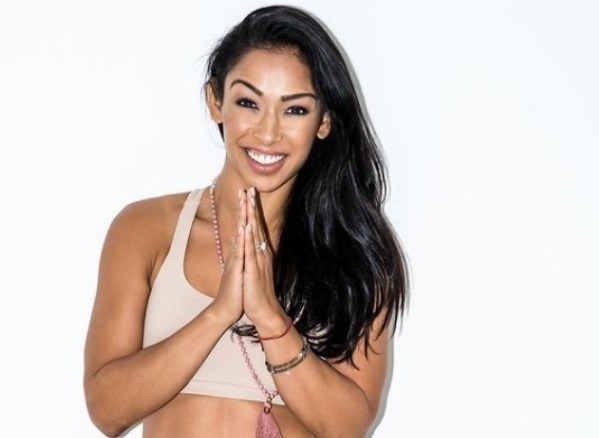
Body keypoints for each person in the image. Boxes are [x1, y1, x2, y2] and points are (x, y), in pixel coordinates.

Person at [84, 5, 407, 437]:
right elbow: (107, 409)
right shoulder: (145, 229)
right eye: (248, 102)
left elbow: (347, 427)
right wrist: (219, 313)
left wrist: (270, 318)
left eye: (294, 110)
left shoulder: (354, 248)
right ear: (215, 101)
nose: (268, 132)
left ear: (324, 121)